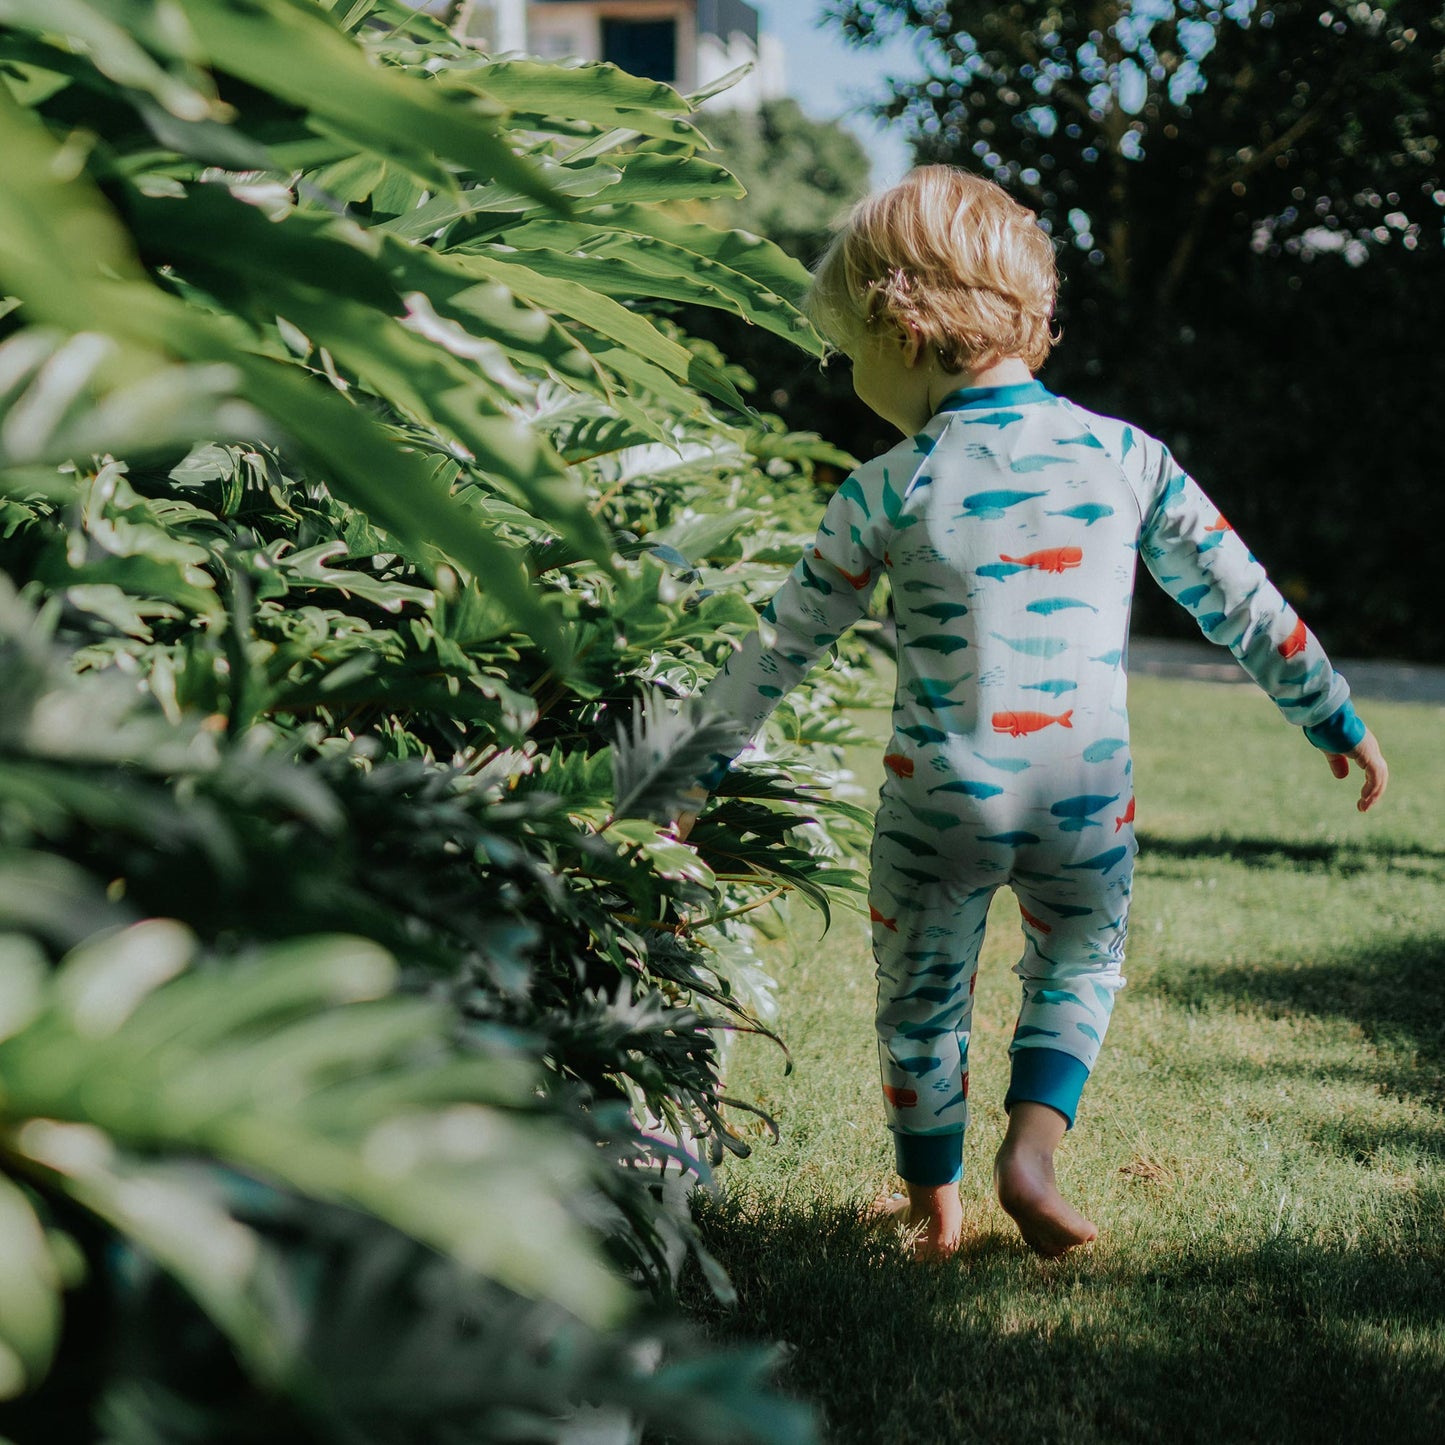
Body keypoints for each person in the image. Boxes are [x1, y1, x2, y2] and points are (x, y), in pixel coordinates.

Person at [671, 166, 1388, 1260]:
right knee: (1077, 964)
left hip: (937, 803)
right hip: (1082, 798)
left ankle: (931, 1203)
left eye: (845, 351)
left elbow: (779, 648)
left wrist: (683, 783)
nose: (844, 374)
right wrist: (1328, 709)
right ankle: (1032, 1153)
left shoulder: (884, 486)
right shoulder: (1124, 456)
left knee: (919, 1003)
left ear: (898, 328)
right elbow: (1237, 597)